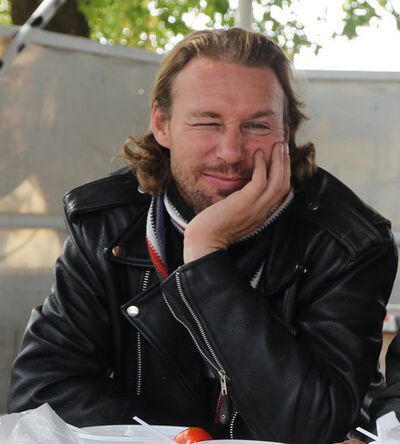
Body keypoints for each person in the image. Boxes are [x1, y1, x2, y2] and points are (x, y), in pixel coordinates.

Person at [7, 28, 398, 444]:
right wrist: (187, 438)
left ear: (287, 131)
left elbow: (315, 427)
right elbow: (39, 394)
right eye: (207, 122)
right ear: (162, 124)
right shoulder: (106, 225)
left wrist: (205, 255)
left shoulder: (349, 243)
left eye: (257, 125)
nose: (230, 152)